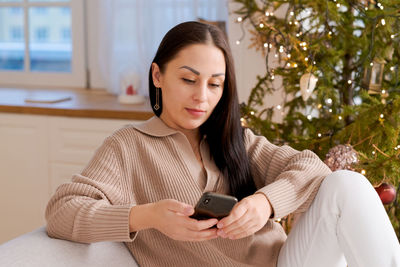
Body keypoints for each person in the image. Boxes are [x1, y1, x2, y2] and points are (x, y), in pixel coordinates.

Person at [45, 21, 400, 267]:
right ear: (157, 75)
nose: (201, 96)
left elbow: (312, 167)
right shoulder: (128, 147)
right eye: (188, 79)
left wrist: (264, 203)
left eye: (215, 84)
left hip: (289, 261)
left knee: (346, 183)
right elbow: (61, 211)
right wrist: (149, 216)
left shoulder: (235, 140)